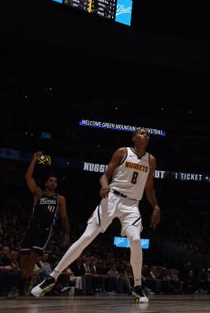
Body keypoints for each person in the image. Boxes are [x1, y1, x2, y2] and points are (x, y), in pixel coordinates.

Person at [32, 128, 161, 303]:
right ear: (133, 137)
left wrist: (156, 206)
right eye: (141, 133)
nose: (145, 135)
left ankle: (137, 287)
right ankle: (52, 277)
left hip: (132, 205)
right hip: (112, 197)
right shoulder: (123, 152)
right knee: (86, 237)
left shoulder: (151, 160)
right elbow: (105, 176)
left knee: (136, 240)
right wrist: (104, 185)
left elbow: (149, 187)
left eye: (147, 134)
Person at [19, 151, 70, 296]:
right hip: (31, 229)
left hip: (45, 231)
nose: (53, 183)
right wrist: (34, 159)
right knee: (23, 260)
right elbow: (28, 177)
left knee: (32, 258)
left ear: (56, 184)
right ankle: (26, 280)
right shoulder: (39, 194)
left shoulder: (60, 199)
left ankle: (22, 287)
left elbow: (64, 217)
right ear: (46, 183)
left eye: (55, 181)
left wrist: (66, 234)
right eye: (50, 181)